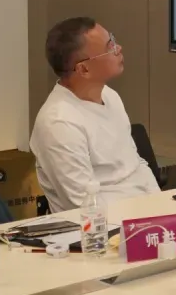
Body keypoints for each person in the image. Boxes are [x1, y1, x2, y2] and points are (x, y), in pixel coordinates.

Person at [30, 18, 159, 212]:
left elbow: (136, 164)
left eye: (113, 40)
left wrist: (162, 206)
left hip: (146, 213)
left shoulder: (109, 95)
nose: (119, 48)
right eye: (110, 47)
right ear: (84, 69)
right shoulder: (58, 123)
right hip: (103, 224)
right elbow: (84, 205)